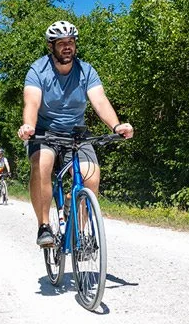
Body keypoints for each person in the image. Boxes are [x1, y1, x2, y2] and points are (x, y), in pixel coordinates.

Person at [17, 20, 133, 247]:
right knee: (42, 166)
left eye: (71, 42)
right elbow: (31, 102)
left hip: (76, 135)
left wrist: (116, 126)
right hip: (44, 133)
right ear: (51, 46)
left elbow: (99, 100)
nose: (67, 47)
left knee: (92, 178)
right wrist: (28, 126)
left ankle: (80, 235)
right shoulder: (38, 70)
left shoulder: (86, 71)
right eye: (61, 43)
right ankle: (44, 227)